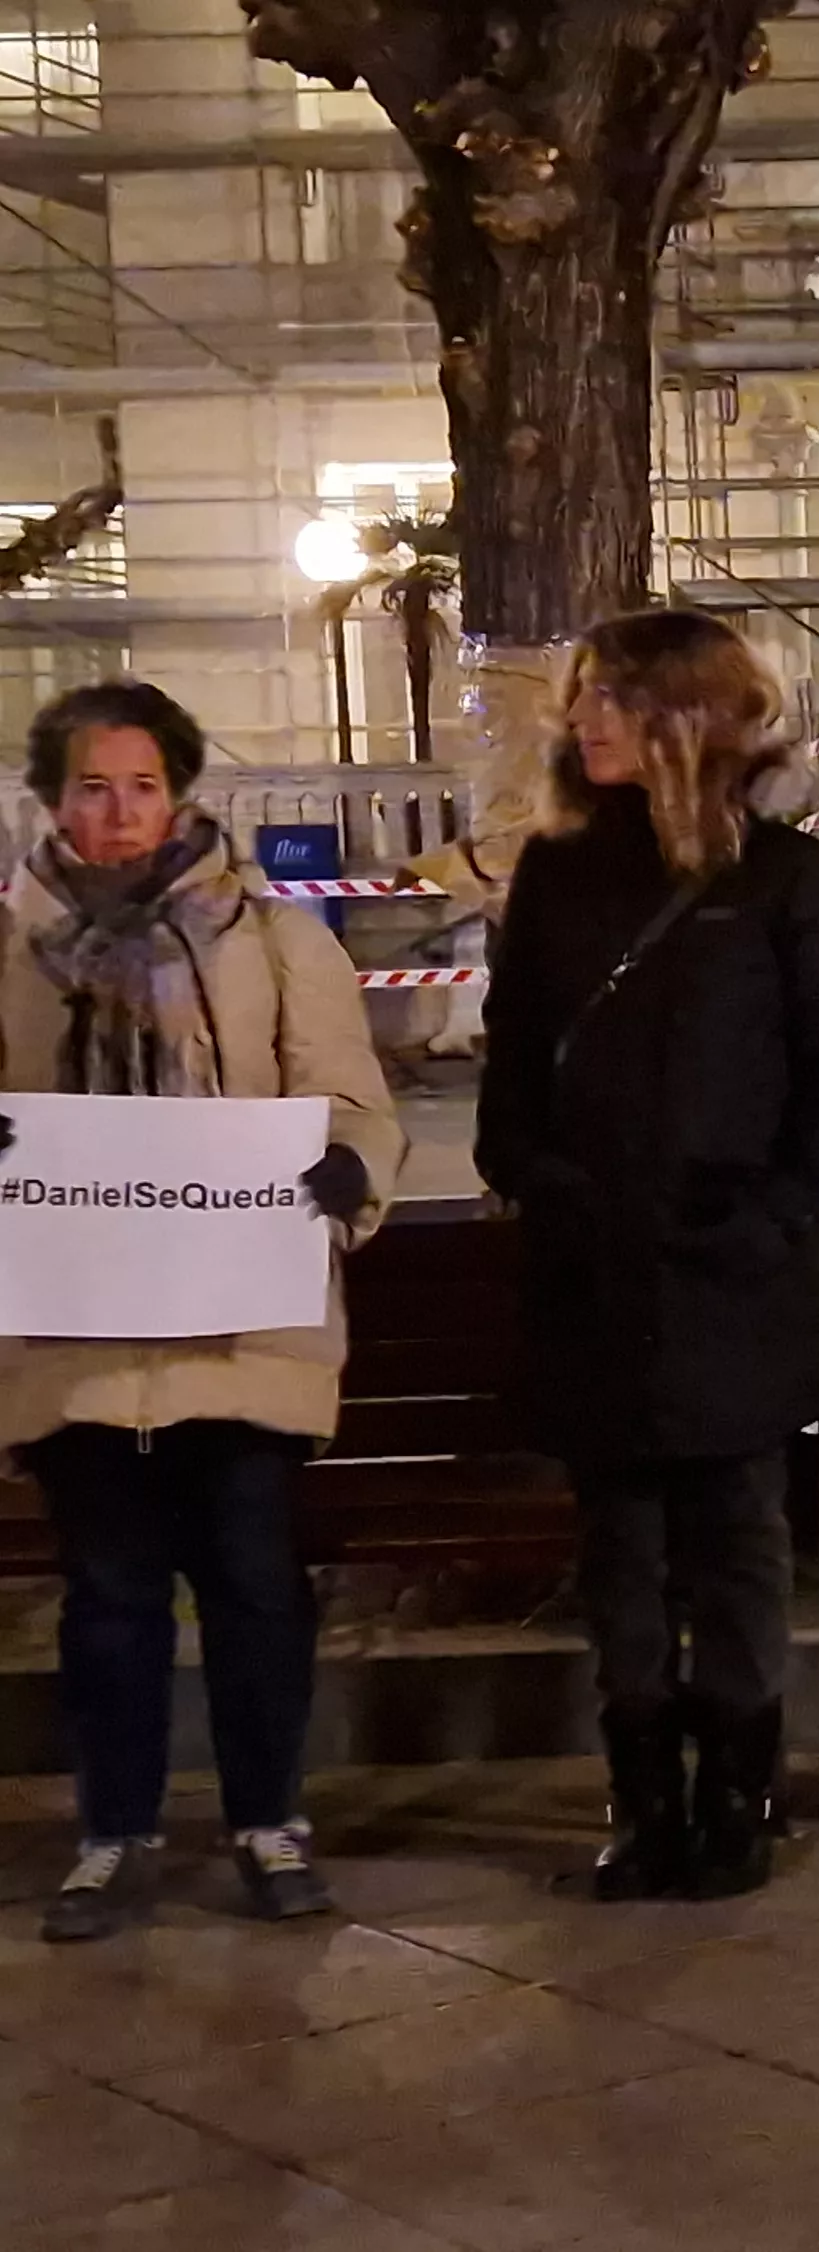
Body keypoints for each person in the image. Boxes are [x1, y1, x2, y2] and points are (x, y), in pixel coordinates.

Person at [1, 682, 404, 1941]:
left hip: (244, 1330)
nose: (116, 813)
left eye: (139, 786)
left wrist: (347, 1172)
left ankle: (266, 1817)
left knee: (250, 1579)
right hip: (78, 1339)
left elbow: (347, 1099)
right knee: (109, 1593)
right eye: (89, 786)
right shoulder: (8, 948)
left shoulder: (274, 938)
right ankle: (113, 1832)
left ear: (178, 795)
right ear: (50, 798)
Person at [477, 609, 819, 1902]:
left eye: (614, 700)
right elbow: (514, 1074)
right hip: (596, 1270)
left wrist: (772, 1209)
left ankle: (739, 1795)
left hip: (730, 1274)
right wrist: (540, 1176)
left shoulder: (783, 880)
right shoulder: (558, 873)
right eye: (583, 698)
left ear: (692, 718)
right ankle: (640, 1800)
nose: (582, 720)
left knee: (737, 1538)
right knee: (621, 1548)